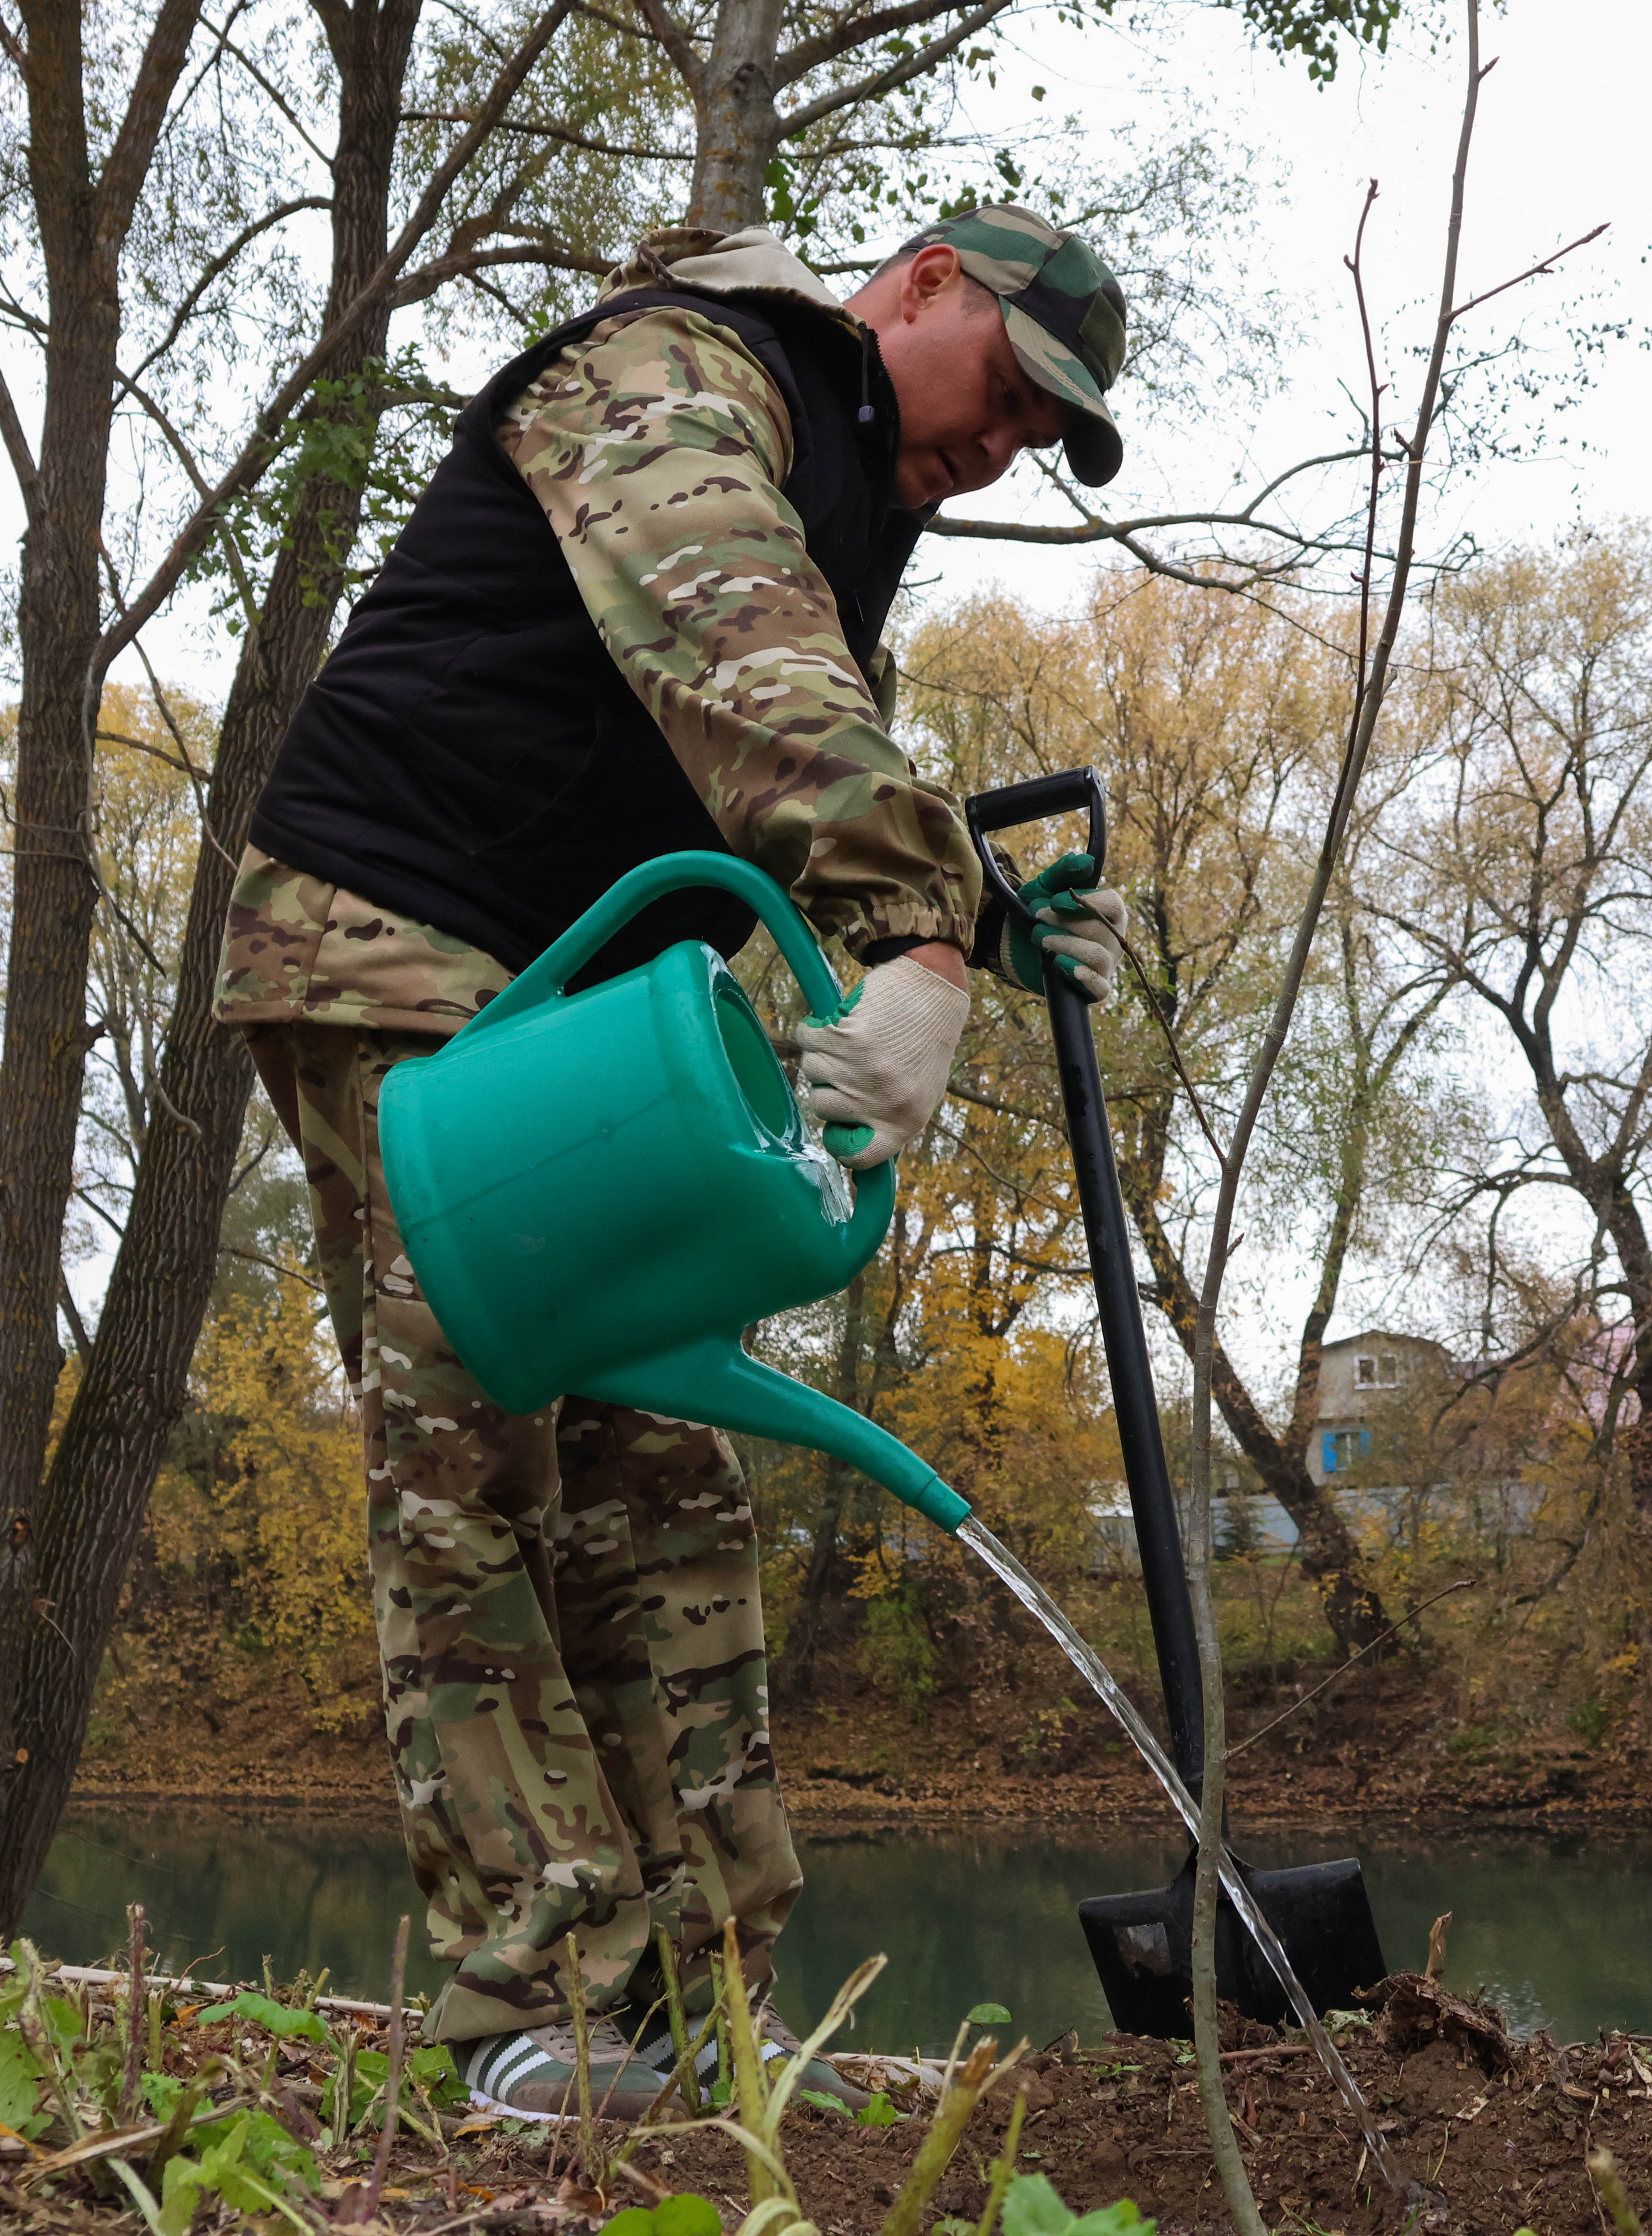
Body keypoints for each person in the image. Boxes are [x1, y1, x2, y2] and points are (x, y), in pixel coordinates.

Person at [215, 204, 1135, 2116]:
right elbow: (740, 653)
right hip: (396, 930)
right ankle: (531, 2009)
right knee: (475, 1440)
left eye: (1042, 435)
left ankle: (704, 2008)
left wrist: (989, 912)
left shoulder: (849, 487)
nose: (1004, 444)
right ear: (925, 283)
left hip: (574, 1006)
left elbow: (773, 739)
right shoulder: (679, 370)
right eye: (1006, 389)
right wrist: (919, 934)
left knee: (663, 1479)